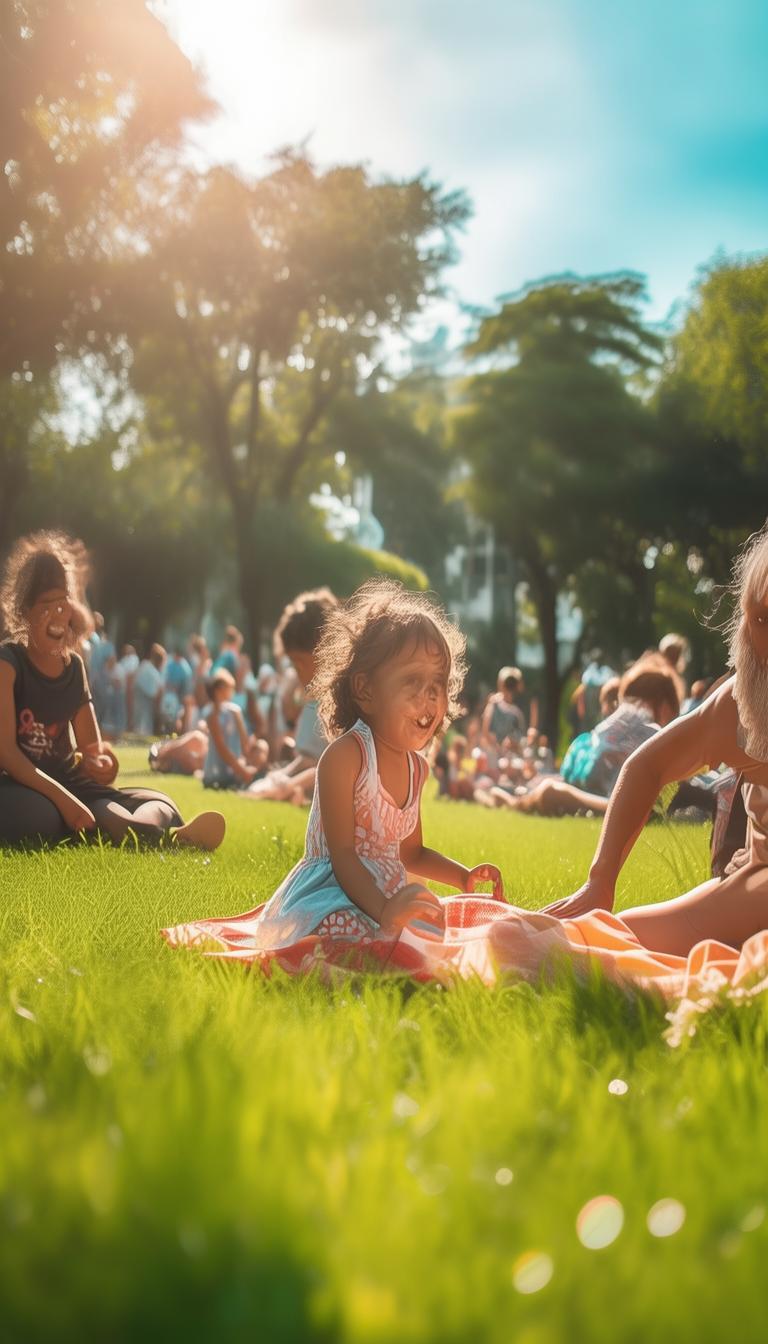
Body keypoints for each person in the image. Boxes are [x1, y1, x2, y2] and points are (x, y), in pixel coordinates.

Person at [163, 579, 502, 960]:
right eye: (412, 680)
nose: (429, 696)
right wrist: (384, 911)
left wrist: (463, 877)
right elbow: (343, 856)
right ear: (366, 690)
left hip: (385, 889)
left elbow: (413, 852)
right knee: (345, 935)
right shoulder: (348, 755)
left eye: (437, 683)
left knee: (426, 927)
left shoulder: (416, 769)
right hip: (333, 891)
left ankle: (392, 950)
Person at [543, 522, 768, 956]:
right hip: (757, 883)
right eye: (761, 618)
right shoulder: (740, 707)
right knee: (599, 943)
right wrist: (600, 881)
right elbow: (647, 766)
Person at [0, 531, 225, 849]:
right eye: (45, 606)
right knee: (46, 816)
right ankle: (153, 837)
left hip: (74, 786)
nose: (57, 616)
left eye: (62, 604)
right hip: (24, 787)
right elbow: (7, 753)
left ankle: (155, 834)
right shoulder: (8, 662)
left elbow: (94, 751)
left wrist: (106, 765)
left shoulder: (75, 668)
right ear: (25, 612)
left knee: (160, 802)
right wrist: (63, 799)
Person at [244, 588, 339, 804]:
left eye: (300, 662)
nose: (298, 672)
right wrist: (280, 779)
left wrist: (287, 785)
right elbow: (308, 759)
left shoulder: (348, 699)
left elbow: (336, 769)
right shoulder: (315, 695)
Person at [201, 669, 263, 790]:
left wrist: (238, 718)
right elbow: (222, 749)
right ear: (219, 691)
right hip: (216, 774)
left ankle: (247, 777)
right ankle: (245, 778)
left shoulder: (234, 711)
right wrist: (242, 771)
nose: (232, 692)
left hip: (234, 767)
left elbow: (244, 744)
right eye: (230, 688)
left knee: (262, 746)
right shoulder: (212, 715)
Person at [134, 644, 165, 735]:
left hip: (138, 705)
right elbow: (156, 693)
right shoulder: (152, 672)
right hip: (144, 709)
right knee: (142, 732)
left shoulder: (144, 665)